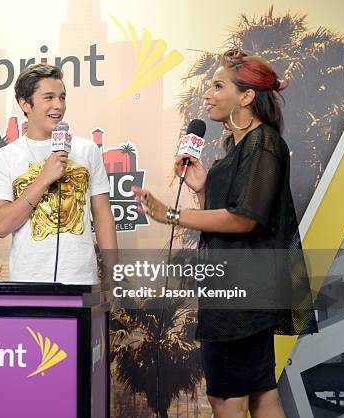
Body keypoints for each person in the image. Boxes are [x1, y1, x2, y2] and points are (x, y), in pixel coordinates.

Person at [135, 49, 317, 418]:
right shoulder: (239, 146)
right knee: (261, 394)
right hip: (239, 290)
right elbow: (231, 219)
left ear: (247, 96)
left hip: (243, 297)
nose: (208, 94)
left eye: (219, 86)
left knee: (228, 400)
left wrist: (172, 214)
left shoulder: (262, 142)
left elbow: (245, 220)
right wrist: (203, 189)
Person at [0, 63, 117, 283]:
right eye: (48, 98)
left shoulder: (87, 150)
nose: (58, 105)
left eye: (62, 97)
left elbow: (103, 218)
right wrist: (44, 178)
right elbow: (0, 225)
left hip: (82, 281)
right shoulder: (5, 157)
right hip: (28, 283)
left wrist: (113, 275)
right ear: (25, 104)